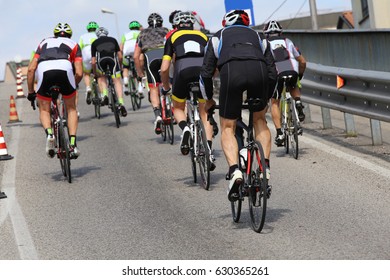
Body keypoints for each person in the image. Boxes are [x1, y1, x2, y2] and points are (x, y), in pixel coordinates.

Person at [200, 10, 277, 201]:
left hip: (231, 71)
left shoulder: (218, 37)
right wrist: (266, 100)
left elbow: (205, 74)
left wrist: (208, 100)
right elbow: (273, 74)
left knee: (228, 126)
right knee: (260, 120)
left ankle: (235, 171)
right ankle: (264, 168)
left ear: (225, 22)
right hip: (258, 69)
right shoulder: (259, 36)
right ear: (247, 23)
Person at [160, 11, 215, 169]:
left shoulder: (173, 37)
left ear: (176, 26)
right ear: (193, 25)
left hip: (182, 70)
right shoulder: (203, 36)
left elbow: (164, 68)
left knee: (177, 107)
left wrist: (166, 86)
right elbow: (213, 63)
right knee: (205, 112)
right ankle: (209, 151)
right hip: (202, 71)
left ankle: (185, 128)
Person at [27, 23, 83, 158]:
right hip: (65, 69)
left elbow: (30, 69)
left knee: (44, 109)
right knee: (71, 109)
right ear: (69, 35)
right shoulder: (74, 44)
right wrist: (71, 87)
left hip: (45, 70)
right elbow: (80, 73)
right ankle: (73, 144)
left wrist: (31, 93)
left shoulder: (43, 43)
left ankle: (50, 134)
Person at [263, 20, 307, 146]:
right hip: (291, 68)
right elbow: (303, 61)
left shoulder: (265, 43)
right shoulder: (288, 41)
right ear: (280, 32)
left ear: (266, 34)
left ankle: (279, 133)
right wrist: (300, 75)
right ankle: (297, 101)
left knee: (275, 102)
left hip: (277, 72)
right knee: (293, 84)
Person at [133, 13, 169, 134]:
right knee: (169, 83)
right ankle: (172, 108)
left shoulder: (142, 34)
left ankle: (158, 115)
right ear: (161, 23)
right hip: (165, 55)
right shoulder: (166, 31)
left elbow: (136, 56)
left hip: (150, 57)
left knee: (153, 88)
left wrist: (140, 73)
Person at [91, 27, 127, 117]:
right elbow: (120, 56)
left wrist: (95, 73)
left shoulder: (94, 43)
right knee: (117, 81)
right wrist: (121, 67)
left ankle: (105, 94)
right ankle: (121, 103)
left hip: (101, 61)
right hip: (112, 61)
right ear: (107, 33)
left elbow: (93, 61)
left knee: (101, 77)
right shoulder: (113, 40)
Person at [120, 20, 143, 97]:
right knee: (140, 69)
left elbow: (121, 47)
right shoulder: (141, 33)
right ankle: (140, 88)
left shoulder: (125, 35)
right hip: (137, 51)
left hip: (127, 52)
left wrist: (122, 53)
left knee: (125, 67)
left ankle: (126, 80)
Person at [79, 21, 99, 105]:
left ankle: (88, 88)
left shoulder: (82, 36)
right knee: (100, 74)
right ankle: (101, 92)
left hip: (86, 54)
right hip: (96, 54)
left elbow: (79, 48)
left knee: (86, 74)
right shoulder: (98, 35)